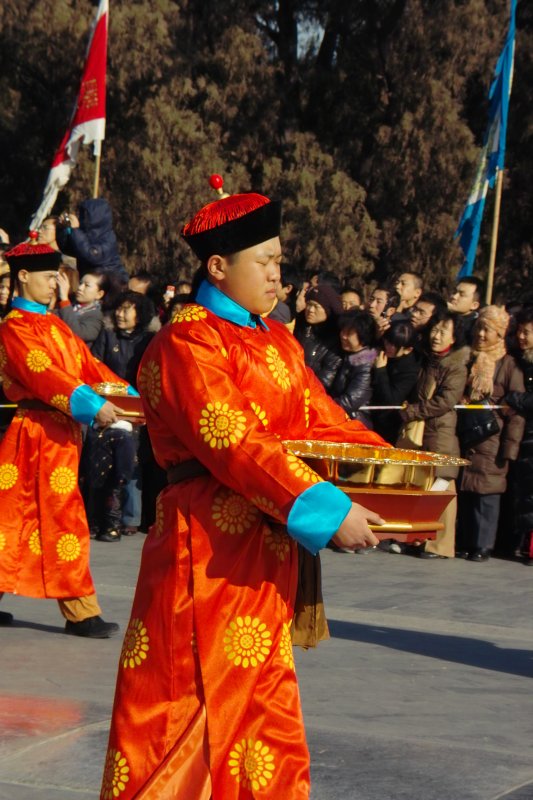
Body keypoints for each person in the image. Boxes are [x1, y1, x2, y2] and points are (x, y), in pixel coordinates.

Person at [101, 188, 388, 799]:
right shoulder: (187, 343)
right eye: (267, 261)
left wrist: (402, 470)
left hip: (266, 549)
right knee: (187, 710)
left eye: (280, 261)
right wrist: (325, 509)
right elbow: (235, 442)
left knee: (263, 708)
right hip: (202, 551)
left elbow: (323, 420)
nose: (279, 275)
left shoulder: (278, 340)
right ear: (218, 267)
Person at [0, 239, 136, 635]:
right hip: (36, 433)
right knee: (59, 518)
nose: (55, 285)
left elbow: (89, 366)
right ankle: (81, 610)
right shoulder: (14, 328)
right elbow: (46, 376)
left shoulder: (54, 325)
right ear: (23, 277)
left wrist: (132, 401)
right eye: (48, 277)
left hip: (60, 434)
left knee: (15, 518)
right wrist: (94, 407)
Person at [83, 292, 160, 540]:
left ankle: (130, 517)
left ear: (141, 314)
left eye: (127, 309)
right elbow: (94, 368)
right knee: (101, 461)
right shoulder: (107, 336)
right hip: (107, 407)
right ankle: (99, 517)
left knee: (132, 462)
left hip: (138, 410)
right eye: (119, 308)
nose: (120, 313)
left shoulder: (149, 340)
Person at [456, 306, 524, 562]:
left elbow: (515, 414)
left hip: (493, 440)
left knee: (488, 495)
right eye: (480, 328)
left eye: (488, 330)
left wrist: (510, 449)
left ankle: (483, 544)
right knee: (469, 492)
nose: (482, 335)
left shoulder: (508, 364)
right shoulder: (469, 358)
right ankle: (466, 540)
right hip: (468, 435)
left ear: (500, 334)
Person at [399, 311, 469, 558]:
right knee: (424, 487)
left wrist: (414, 411)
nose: (436, 336)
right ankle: (420, 539)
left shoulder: (456, 366)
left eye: (443, 331)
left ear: (454, 336)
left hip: (441, 432)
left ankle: (440, 545)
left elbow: (445, 401)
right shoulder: (429, 360)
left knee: (443, 486)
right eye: (435, 330)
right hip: (423, 431)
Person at [505, 306, 533, 565]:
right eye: (519, 331)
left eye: (527, 332)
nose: (521, 337)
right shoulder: (521, 360)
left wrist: (514, 398)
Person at [56, 198, 128, 285]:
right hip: (90, 283)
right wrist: (61, 229)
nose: (81, 218)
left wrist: (75, 230)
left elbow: (91, 255)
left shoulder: (108, 239)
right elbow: (67, 248)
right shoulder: (82, 234)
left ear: (96, 216)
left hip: (112, 284)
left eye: (84, 215)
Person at [371, 320, 420, 444]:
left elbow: (391, 401)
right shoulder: (381, 349)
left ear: (407, 350)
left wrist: (380, 371)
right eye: (387, 340)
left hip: (387, 425)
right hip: (369, 416)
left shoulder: (409, 370)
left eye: (394, 345)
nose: (388, 346)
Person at [330, 309, 378, 427]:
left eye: (349, 333)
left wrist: (321, 406)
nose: (343, 336)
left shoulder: (366, 362)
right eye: (342, 331)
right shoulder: (347, 354)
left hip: (354, 423)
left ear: (363, 335)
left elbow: (350, 402)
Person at [294, 284, 343, 390]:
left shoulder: (335, 341)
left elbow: (326, 379)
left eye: (316, 306)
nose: (310, 310)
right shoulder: (299, 326)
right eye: (309, 304)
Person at [56, 270, 119, 348]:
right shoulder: (71, 304)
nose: (80, 288)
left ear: (99, 294)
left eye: (87, 285)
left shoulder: (96, 316)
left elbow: (77, 333)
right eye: (80, 283)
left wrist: (64, 300)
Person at [447, 276, 484, 345]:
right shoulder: (443, 316)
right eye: (454, 292)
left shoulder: (476, 327)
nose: (454, 297)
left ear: (474, 305)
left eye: (462, 294)